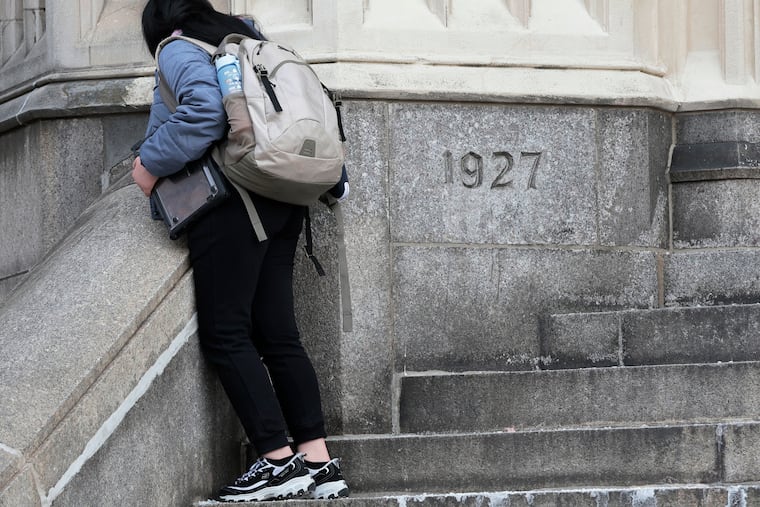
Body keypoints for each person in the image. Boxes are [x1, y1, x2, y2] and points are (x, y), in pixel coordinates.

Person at [132, 0, 349, 501]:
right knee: (278, 333)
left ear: (160, 24)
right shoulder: (248, 38)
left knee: (227, 332)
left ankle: (275, 461)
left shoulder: (178, 48)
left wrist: (149, 161)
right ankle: (317, 463)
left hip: (231, 203)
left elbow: (206, 112)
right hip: (282, 198)